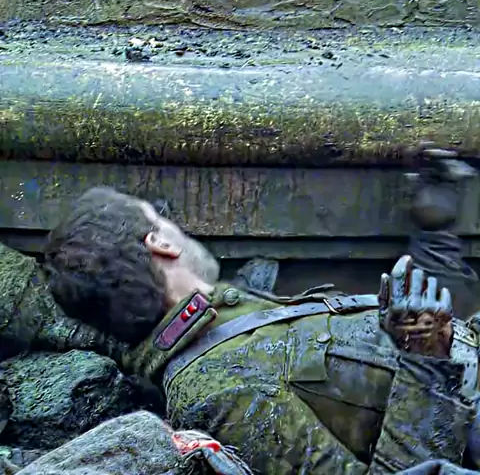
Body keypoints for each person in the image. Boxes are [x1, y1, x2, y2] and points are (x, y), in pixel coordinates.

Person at [42, 145, 480, 474]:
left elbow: (424, 354)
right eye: (160, 218)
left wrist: (435, 236)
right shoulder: (215, 388)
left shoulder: (229, 319)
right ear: (160, 243)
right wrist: (425, 359)